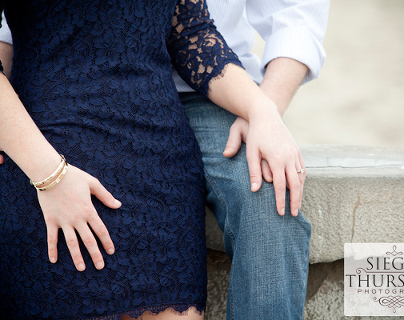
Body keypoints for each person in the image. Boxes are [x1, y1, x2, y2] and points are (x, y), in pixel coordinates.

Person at [0, 0, 303, 319]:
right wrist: (50, 175)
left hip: (162, 164)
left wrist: (263, 110)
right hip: (51, 154)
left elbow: (192, 34)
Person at [176, 1, 328, 319]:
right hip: (103, 90)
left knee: (271, 198)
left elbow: (295, 14)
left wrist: (263, 109)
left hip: (222, 88)